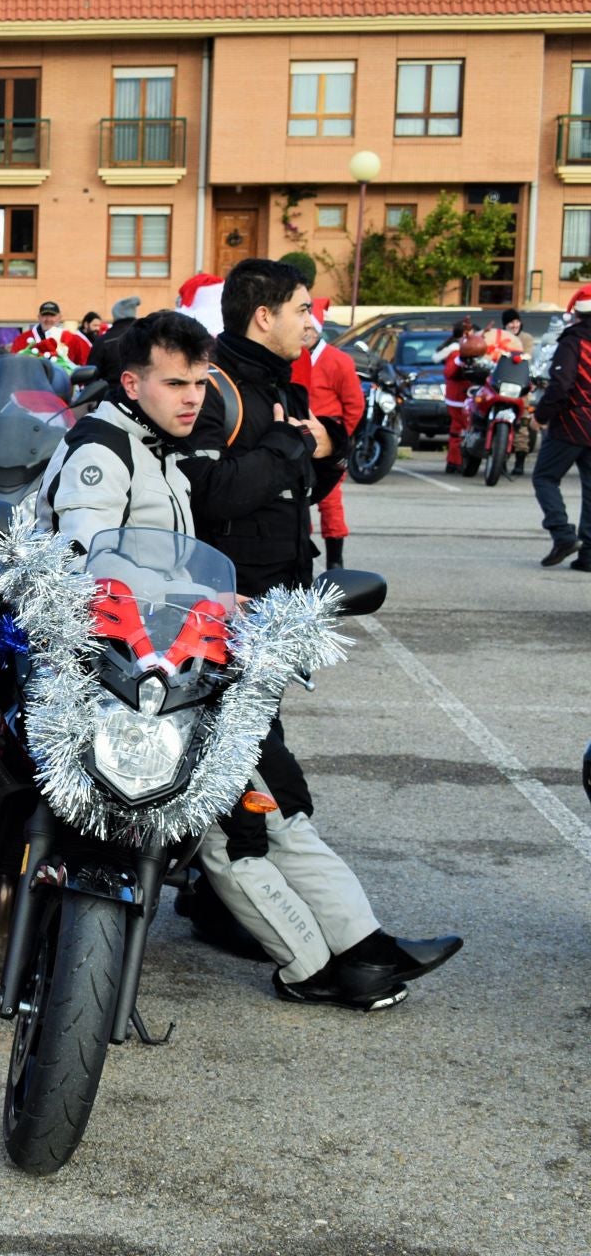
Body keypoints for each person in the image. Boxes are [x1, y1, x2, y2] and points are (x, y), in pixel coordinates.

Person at [179, 257, 461, 1010]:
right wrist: (291, 446)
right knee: (259, 781)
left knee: (255, 774)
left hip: (273, 612)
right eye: (304, 310)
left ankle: (228, 912)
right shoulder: (220, 390)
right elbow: (211, 497)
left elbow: (300, 485)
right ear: (262, 315)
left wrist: (318, 450)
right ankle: (339, 951)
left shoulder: (280, 387)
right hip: (221, 617)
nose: (316, 323)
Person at [38, 309, 209, 551]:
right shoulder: (99, 453)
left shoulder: (156, 439)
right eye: (175, 384)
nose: (193, 398)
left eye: (200, 383)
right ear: (131, 385)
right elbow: (85, 575)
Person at [302, 298, 364, 569]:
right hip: (297, 440)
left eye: (308, 329)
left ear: (316, 330)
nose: (303, 333)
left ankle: (335, 562)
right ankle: (301, 552)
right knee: (295, 503)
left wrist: (338, 440)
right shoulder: (291, 358)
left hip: (327, 443)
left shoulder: (338, 361)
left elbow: (354, 404)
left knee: (330, 502)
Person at [535, 283, 591, 571]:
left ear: (576, 312)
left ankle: (563, 535)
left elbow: (561, 386)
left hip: (572, 423)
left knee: (545, 477)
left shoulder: (573, 342)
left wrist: (541, 415)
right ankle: (589, 555)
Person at [434, 319, 486, 475]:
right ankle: (456, 461)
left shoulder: (472, 351)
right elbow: (449, 372)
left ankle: (457, 460)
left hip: (470, 396)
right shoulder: (457, 352)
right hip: (459, 397)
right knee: (460, 430)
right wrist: (461, 361)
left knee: (463, 429)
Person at [9, 300, 91, 366]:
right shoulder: (22, 339)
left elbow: (83, 365)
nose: (48, 319)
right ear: (39, 317)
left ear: (59, 318)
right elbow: (14, 364)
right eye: (45, 315)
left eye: (52, 316)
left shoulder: (72, 340)